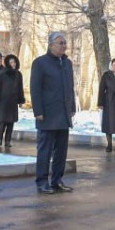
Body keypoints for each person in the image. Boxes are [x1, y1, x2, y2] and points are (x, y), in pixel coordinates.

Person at [30, 31, 76, 194]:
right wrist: (38, 111)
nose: (63, 46)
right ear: (50, 45)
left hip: (63, 114)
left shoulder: (67, 63)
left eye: (64, 43)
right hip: (47, 114)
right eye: (60, 43)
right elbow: (35, 89)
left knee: (61, 151)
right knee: (45, 150)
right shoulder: (40, 63)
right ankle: (42, 181)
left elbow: (70, 87)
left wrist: (72, 107)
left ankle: (57, 180)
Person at [0, 54, 24, 149]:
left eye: (14, 62)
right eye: (11, 62)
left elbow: (20, 88)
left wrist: (21, 99)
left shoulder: (18, 74)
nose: (13, 64)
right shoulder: (2, 74)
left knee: (11, 122)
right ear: (7, 63)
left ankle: (8, 141)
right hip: (3, 101)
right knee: (3, 122)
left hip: (13, 101)